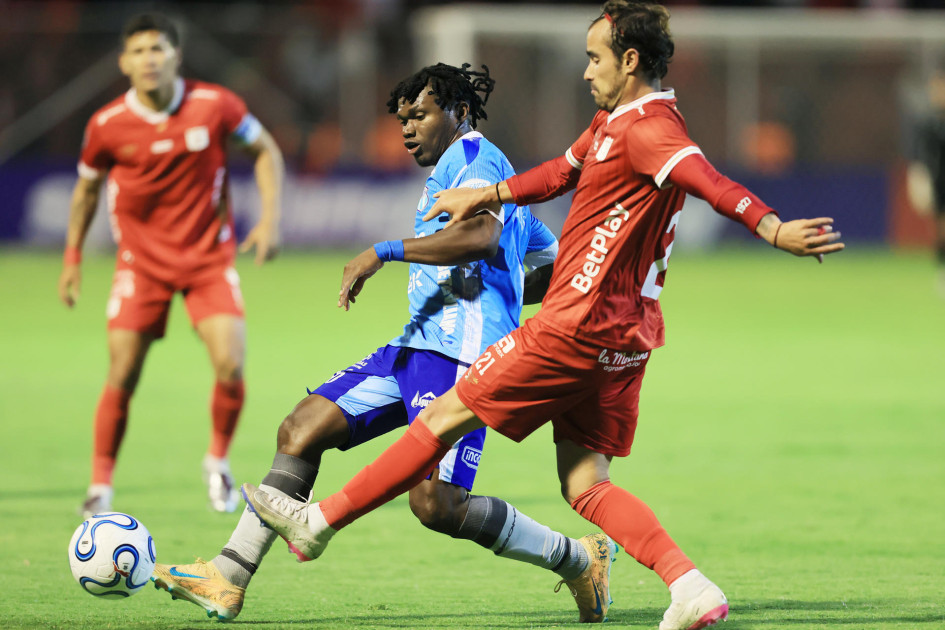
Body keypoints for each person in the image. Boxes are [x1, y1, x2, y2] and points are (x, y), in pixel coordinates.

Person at [242, 3, 846, 629]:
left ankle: (316, 523)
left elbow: (707, 178)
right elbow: (562, 171)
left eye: (595, 58)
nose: (587, 72)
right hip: (626, 338)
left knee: (447, 413)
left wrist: (770, 226)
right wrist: (491, 192)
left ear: (630, 61)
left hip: (574, 324)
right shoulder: (613, 122)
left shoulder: (650, 131)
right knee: (584, 482)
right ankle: (689, 586)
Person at [152, 63, 618, 623]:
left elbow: (482, 234)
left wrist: (385, 251)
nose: (407, 128)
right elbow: (544, 257)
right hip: (413, 350)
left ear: (459, 112)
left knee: (436, 506)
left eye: (419, 114)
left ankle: (576, 559)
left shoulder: (475, 157)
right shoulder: (453, 169)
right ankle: (228, 576)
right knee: (301, 429)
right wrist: (515, 283)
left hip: (459, 360)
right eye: (402, 118)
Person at [58, 12, 284, 517]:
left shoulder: (215, 106)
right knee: (123, 371)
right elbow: (86, 191)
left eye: (157, 49)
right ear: (124, 61)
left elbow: (265, 149)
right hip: (140, 265)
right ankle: (100, 486)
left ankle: (217, 464)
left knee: (230, 362)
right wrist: (73, 257)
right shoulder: (107, 125)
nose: (149, 59)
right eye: (138, 51)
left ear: (175, 55)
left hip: (208, 259)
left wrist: (270, 220)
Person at [906, 69, 945, 296]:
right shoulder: (928, 122)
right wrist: (919, 176)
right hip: (939, 181)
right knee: (941, 230)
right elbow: (920, 156)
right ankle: (942, 271)